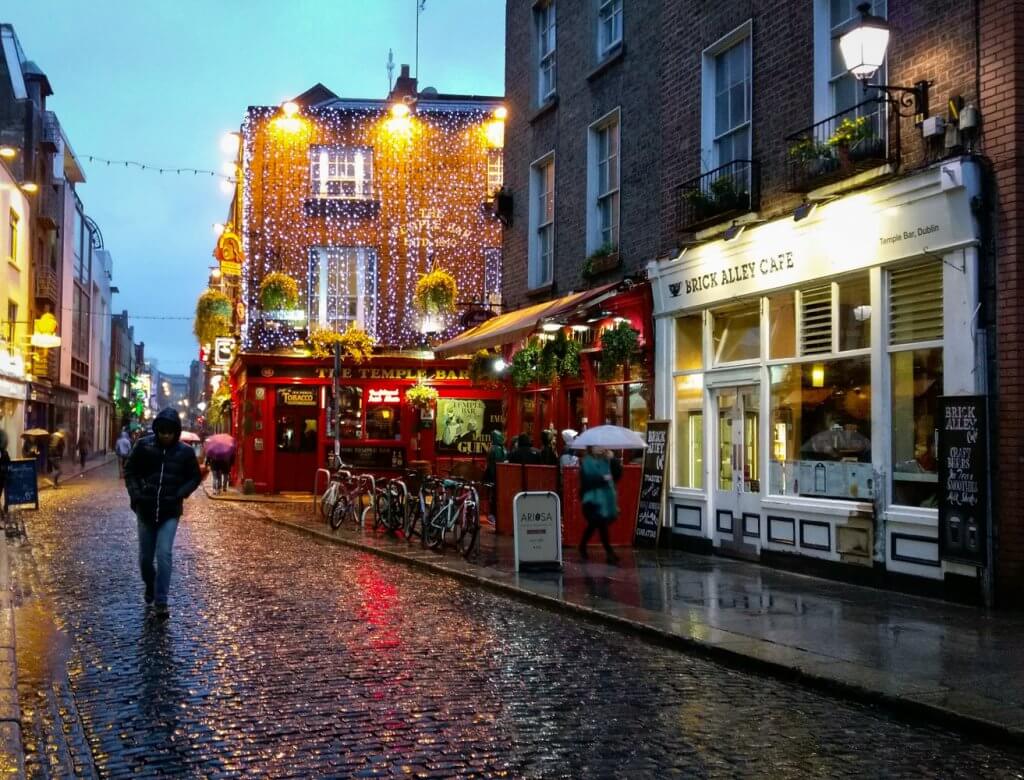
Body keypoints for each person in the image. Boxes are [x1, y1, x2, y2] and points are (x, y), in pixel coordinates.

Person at [124, 408, 202, 622]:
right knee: (146, 559)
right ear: (157, 430)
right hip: (145, 509)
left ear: (175, 432)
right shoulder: (144, 445)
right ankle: (150, 585)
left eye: (169, 432)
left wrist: (180, 493)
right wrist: (137, 495)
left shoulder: (185, 453)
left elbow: (195, 477)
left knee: (164, 554)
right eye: (162, 431)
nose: (165, 435)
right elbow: (129, 470)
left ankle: (161, 602)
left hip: (169, 511)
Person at [578, 445, 620, 564]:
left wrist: (613, 459)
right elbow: (587, 482)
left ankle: (582, 546)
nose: (600, 448)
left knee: (594, 525)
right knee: (601, 525)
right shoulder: (586, 463)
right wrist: (603, 478)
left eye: (601, 446)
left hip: (605, 500)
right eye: (596, 446)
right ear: (590, 448)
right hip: (591, 500)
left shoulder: (606, 461)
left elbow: (617, 474)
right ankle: (609, 553)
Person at [483, 430, 507, 524]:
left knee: (494, 496)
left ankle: (493, 515)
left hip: (496, 476)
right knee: (495, 496)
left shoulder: (494, 448)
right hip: (498, 476)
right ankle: (493, 515)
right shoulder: (498, 449)